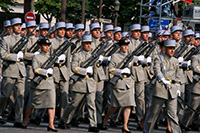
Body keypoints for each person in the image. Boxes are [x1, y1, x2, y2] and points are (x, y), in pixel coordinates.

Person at [61, 34, 99, 132]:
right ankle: (65, 120)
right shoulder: (77, 55)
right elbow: (74, 68)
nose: (88, 45)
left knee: (91, 105)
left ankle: (93, 125)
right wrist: (84, 71)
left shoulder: (93, 56)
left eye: (89, 44)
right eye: (86, 44)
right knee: (74, 104)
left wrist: (94, 81)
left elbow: (95, 70)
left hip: (90, 83)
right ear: (82, 44)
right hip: (80, 83)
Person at [144, 40, 182, 133]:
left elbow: (178, 76)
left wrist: (178, 88)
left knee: (173, 115)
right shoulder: (158, 58)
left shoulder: (175, 60)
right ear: (165, 49)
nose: (172, 50)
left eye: (173, 48)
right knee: (154, 113)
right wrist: (163, 79)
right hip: (160, 89)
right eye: (170, 48)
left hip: (172, 89)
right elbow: (157, 70)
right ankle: (147, 131)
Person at [22, 38, 57, 132]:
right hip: (39, 84)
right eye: (45, 45)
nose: (47, 47)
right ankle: (25, 121)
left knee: (51, 104)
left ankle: (51, 124)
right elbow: (35, 69)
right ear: (40, 46)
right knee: (32, 104)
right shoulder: (36, 57)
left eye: (48, 45)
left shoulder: (51, 57)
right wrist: (45, 72)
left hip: (49, 83)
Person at [103, 38, 136, 133]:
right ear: (120, 47)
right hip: (119, 83)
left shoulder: (130, 56)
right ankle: (106, 118)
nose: (125, 47)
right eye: (123, 46)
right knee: (115, 106)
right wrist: (120, 71)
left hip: (128, 83)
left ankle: (125, 126)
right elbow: (110, 69)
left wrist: (133, 80)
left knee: (129, 105)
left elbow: (132, 70)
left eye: (126, 45)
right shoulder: (115, 56)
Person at [0, 18, 26, 127]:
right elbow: (3, 54)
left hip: (21, 71)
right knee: (5, 95)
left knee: (20, 96)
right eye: (16, 26)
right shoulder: (6, 39)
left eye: (20, 25)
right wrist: (14, 57)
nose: (19, 27)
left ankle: (18, 119)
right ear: (12, 27)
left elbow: (27, 53)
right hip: (10, 71)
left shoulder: (24, 39)